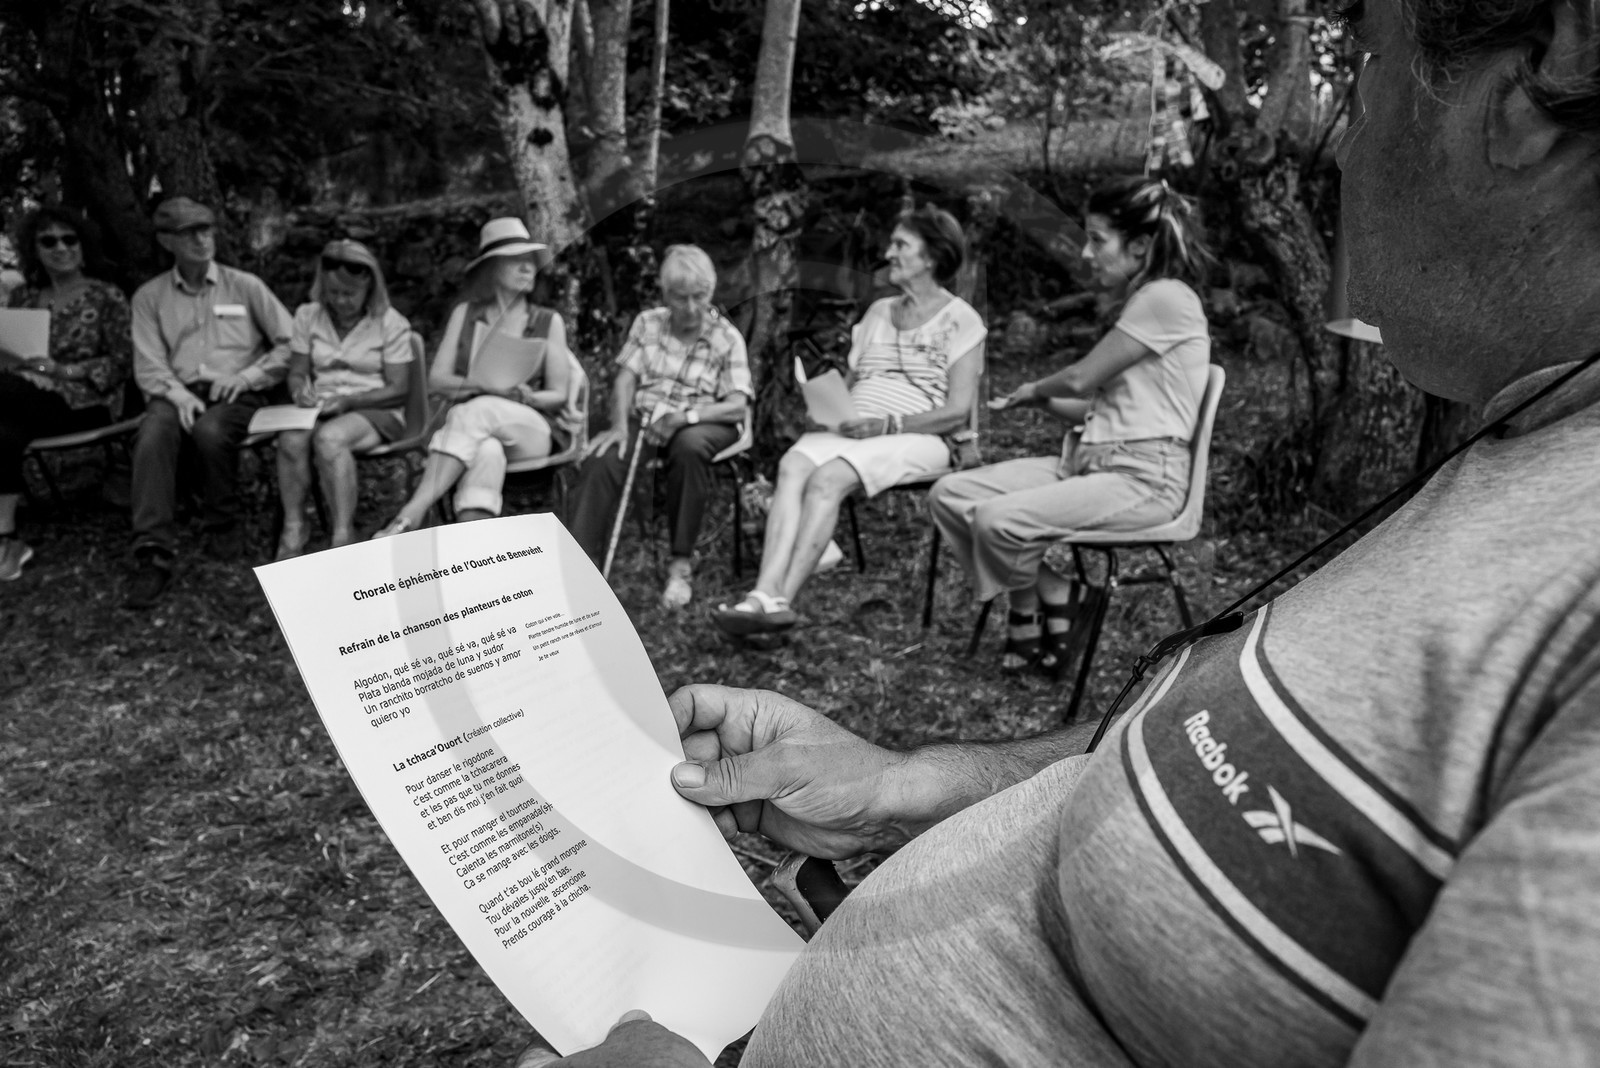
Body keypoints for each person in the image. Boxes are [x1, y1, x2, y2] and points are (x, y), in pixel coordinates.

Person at [513, 0, 1600, 1058]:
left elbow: (1085, 383)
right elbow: (1221, 761)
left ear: (1540, 71)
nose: (1349, 151)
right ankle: (1023, 596)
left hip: (1128, 481)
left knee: (968, 491)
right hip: (1079, 468)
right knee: (949, 490)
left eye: (1361, 68)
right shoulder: (1519, 454)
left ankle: (1021, 595)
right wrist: (909, 785)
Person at [929, 177, 1210, 673]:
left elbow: (1080, 380)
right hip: (1089, 461)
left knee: (999, 520)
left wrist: (1040, 388)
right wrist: (1035, 404)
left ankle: (1026, 609)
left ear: (1141, 245)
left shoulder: (1167, 296)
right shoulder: (1143, 303)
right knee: (950, 494)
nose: (1086, 252)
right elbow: (1098, 412)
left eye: (1098, 240)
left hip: (1146, 478)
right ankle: (1059, 591)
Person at [711, 205, 985, 635]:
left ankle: (779, 601)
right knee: (792, 464)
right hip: (856, 427)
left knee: (827, 479)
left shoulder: (961, 321)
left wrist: (887, 425)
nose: (889, 253)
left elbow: (956, 410)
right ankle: (760, 595)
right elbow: (854, 381)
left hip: (920, 434)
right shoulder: (877, 313)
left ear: (931, 257)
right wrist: (827, 409)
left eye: (901, 245)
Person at [124, 196, 292, 608]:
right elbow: (148, 364)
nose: (201, 240)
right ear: (166, 242)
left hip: (237, 389)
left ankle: (222, 520)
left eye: (206, 229)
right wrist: (177, 393)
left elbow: (292, 344)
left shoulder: (245, 285)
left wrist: (246, 376)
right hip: (176, 388)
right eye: (188, 233)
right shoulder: (149, 297)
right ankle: (152, 550)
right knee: (152, 433)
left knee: (211, 429)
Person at [565, 245, 750, 608]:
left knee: (689, 447)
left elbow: (736, 406)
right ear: (666, 295)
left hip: (702, 420)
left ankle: (680, 566)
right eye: (682, 299)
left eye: (701, 297)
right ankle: (578, 568)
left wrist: (684, 418)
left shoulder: (726, 337)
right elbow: (625, 379)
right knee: (603, 458)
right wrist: (619, 426)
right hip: (646, 417)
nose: (693, 308)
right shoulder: (648, 323)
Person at [373, 218, 572, 537]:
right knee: (487, 450)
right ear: (493, 269)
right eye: (516, 260)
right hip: (476, 431)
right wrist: (483, 386)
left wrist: (525, 396)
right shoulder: (466, 313)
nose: (528, 267)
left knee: (476, 410)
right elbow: (437, 380)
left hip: (532, 429)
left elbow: (559, 394)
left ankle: (412, 511)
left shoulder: (549, 321)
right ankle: (474, 548)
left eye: (530, 260)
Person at [0, 207, 132, 580]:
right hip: (22, 396)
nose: (60, 248)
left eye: (69, 239)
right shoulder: (24, 297)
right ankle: (6, 539)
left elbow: (124, 361)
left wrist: (64, 371)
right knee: (4, 432)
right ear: (34, 249)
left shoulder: (105, 296)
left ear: (84, 245)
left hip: (86, 400)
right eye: (48, 241)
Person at [274, 240, 413, 559]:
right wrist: (300, 390)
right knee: (291, 441)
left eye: (349, 294)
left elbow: (398, 388)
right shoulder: (308, 315)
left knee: (330, 439)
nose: (340, 301)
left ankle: (342, 536)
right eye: (333, 293)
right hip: (320, 406)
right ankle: (294, 525)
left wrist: (348, 402)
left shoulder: (390, 322)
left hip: (375, 408)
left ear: (369, 287)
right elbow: (296, 373)